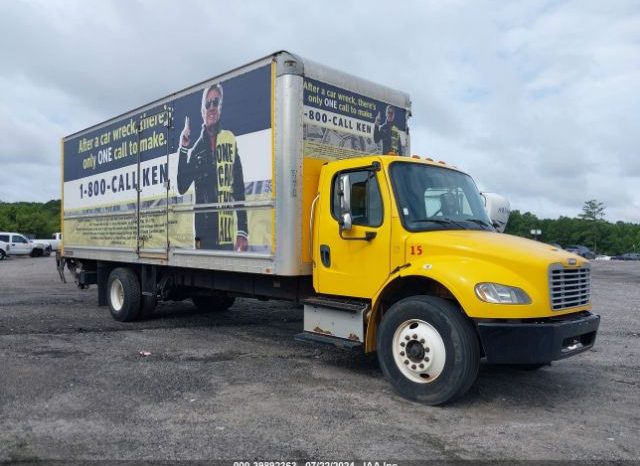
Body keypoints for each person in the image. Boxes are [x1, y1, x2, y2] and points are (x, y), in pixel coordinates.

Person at [177, 84, 248, 251]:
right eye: (207, 104)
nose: (211, 107)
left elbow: (238, 187)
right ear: (202, 112)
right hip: (203, 235)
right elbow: (181, 186)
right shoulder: (196, 150)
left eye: (215, 102)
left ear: (220, 107)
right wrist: (183, 148)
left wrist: (242, 230)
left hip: (225, 232)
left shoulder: (229, 140)